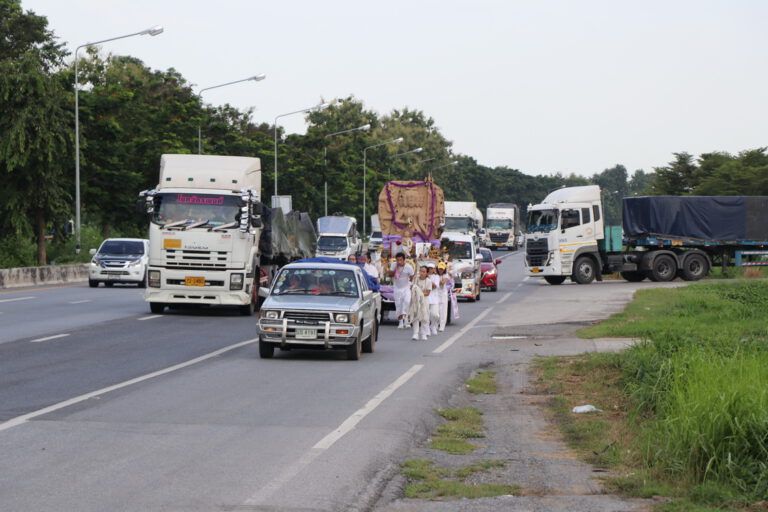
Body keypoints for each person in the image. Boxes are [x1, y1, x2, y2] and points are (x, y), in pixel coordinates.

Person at [389, 252, 414, 328]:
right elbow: (390, 274)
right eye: (397, 260)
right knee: (398, 305)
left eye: (400, 260)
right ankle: (400, 322)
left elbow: (412, 276)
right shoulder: (394, 265)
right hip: (397, 288)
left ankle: (406, 320)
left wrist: (409, 283)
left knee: (407, 302)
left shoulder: (408, 267)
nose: (399, 262)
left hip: (406, 287)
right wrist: (395, 269)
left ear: (404, 260)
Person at [411, 265, 434, 340]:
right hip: (415, 300)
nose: (421, 273)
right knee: (415, 316)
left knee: (425, 317)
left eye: (423, 272)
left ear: (427, 273)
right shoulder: (415, 279)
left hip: (424, 301)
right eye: (420, 271)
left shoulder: (428, 281)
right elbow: (412, 287)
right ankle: (415, 333)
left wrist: (419, 292)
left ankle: (423, 333)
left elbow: (427, 293)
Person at [426, 263, 441, 335]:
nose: (431, 270)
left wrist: (428, 279)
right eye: (429, 268)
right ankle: (427, 328)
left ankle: (433, 326)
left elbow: (435, 286)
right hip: (426, 297)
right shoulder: (423, 276)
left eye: (432, 268)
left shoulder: (436, 277)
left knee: (435, 315)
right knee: (426, 314)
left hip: (434, 298)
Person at [436, 262, 451, 331]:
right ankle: (435, 324)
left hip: (443, 294)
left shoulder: (446, 275)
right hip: (436, 294)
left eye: (442, 269)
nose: (440, 270)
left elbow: (442, 282)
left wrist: (436, 280)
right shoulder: (435, 275)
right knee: (436, 310)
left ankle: (442, 325)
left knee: (443, 310)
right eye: (439, 269)